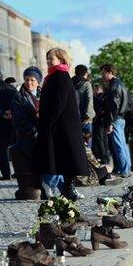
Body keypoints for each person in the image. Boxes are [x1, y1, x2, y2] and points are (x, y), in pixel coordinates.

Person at [34, 48, 89, 201]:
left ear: (61, 60)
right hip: (59, 124)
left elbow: (59, 102)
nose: (48, 61)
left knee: (67, 156)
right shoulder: (53, 76)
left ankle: (68, 188)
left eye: (51, 58)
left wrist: (48, 121)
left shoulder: (61, 75)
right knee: (62, 156)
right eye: (48, 58)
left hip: (63, 124)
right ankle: (65, 188)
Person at [11, 66, 43, 199]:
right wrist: (36, 134)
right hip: (27, 139)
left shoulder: (43, 94)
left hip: (42, 138)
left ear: (38, 82)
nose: (29, 83)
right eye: (26, 80)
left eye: (32, 80)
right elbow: (20, 122)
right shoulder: (19, 97)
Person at [100, 63, 131, 177]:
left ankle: (124, 171)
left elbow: (114, 106)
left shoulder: (114, 85)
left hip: (116, 119)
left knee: (119, 146)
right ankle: (125, 169)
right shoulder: (120, 84)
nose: (102, 75)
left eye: (103, 73)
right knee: (122, 145)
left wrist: (110, 123)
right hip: (120, 118)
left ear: (109, 72)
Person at [0, 72, 17, 180]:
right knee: (15, 148)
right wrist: (12, 113)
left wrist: (3, 113)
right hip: (13, 122)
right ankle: (17, 172)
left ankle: (6, 175)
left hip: (0, 122)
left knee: (2, 149)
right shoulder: (12, 88)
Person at [72, 65, 95, 137]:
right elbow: (89, 100)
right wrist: (89, 116)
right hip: (84, 118)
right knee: (87, 143)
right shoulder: (87, 84)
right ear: (85, 73)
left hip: (72, 117)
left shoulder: (69, 82)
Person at [91, 84, 110, 165]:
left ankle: (103, 157)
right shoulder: (106, 97)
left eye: (95, 89)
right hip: (104, 120)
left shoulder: (97, 97)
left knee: (100, 139)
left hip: (99, 120)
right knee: (104, 139)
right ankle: (106, 157)